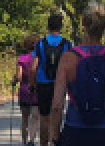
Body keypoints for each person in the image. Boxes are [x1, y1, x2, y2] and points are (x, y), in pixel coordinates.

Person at [50, 0, 105, 146]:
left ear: (83, 23)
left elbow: (57, 105)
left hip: (75, 131)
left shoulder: (68, 58)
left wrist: (55, 136)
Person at [33, 12, 72, 146]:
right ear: (60, 27)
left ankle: (43, 143)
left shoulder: (40, 44)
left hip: (43, 83)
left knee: (44, 117)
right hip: (60, 84)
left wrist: (31, 84)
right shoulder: (67, 44)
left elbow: (34, 67)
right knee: (58, 113)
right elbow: (70, 65)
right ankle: (55, 141)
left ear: (48, 26)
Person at [15, 33, 40, 146]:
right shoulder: (39, 58)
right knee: (35, 117)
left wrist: (14, 80)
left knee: (24, 119)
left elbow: (19, 77)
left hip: (24, 90)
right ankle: (32, 140)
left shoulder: (22, 59)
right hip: (36, 90)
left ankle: (25, 142)